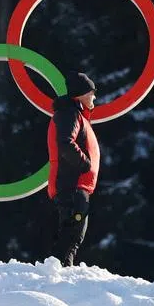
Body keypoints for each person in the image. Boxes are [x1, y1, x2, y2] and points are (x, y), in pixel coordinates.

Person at [47, 73, 99, 266]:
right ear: (82, 94)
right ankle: (57, 274)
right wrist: (85, 164)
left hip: (76, 185)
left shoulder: (75, 114)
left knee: (73, 236)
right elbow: (65, 143)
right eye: (92, 92)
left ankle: (60, 273)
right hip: (73, 185)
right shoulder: (70, 113)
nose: (94, 96)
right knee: (72, 236)